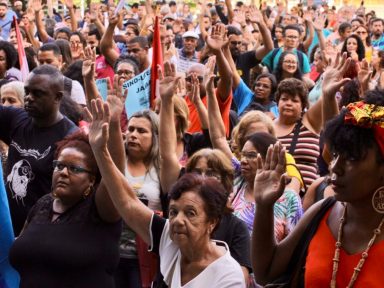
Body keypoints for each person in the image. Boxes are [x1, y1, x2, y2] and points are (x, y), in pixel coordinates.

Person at [87, 98, 246, 287]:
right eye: (173, 212)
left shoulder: (228, 277)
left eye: (190, 213)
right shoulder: (167, 237)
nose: (178, 220)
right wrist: (100, 150)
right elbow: (128, 202)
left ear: (212, 222)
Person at [251, 94, 384, 287]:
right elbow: (266, 272)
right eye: (337, 154)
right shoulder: (322, 212)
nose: (335, 167)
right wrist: (264, 207)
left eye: (352, 157)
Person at [9, 95, 124, 287]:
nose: (63, 172)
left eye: (74, 169)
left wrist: (112, 125)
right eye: (59, 166)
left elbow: (117, 176)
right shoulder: (43, 205)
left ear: (92, 180)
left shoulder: (100, 209)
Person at [0, 65, 78, 236]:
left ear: (57, 97)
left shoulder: (70, 138)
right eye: (27, 92)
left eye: (38, 93)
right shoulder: (17, 120)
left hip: (41, 234)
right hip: (7, 229)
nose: (29, 98)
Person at [273, 53, 352, 189]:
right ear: (277, 101)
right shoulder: (268, 126)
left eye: (294, 100)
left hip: (307, 196)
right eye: (284, 99)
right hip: (274, 193)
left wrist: (327, 85)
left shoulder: (308, 120)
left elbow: (326, 101)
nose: (288, 103)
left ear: (303, 105)